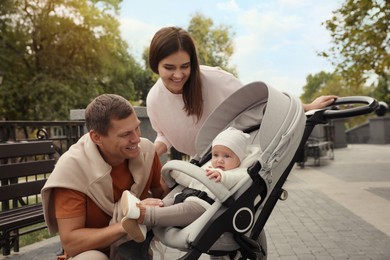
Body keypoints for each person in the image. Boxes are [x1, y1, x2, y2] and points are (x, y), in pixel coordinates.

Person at [146, 26, 338, 157]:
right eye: (169, 68)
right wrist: (150, 153)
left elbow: (260, 100)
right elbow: (164, 134)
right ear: (155, 65)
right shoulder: (154, 99)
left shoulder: (215, 80)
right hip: (200, 161)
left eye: (185, 66)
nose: (178, 75)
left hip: (232, 156)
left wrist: (307, 107)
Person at [41, 94, 169, 260]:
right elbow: (71, 243)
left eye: (137, 128)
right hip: (91, 252)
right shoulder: (72, 169)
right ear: (97, 137)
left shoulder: (146, 151)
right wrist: (128, 224)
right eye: (126, 134)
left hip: (137, 247)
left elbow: (162, 195)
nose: (136, 139)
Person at [120, 127, 253, 241]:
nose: (219, 160)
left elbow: (235, 178)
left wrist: (222, 176)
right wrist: (176, 172)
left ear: (239, 158)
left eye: (227, 156)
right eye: (215, 155)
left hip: (202, 207)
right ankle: (138, 212)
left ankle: (144, 215)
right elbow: (191, 178)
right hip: (186, 195)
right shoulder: (209, 168)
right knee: (162, 204)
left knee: (175, 212)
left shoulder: (240, 172)